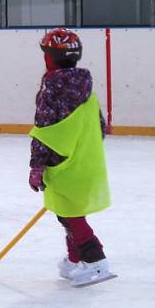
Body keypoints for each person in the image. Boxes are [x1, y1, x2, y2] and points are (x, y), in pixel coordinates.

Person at [28, 28, 114, 286]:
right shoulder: (87, 87)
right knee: (67, 210)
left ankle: (96, 261)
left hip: (60, 161)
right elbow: (99, 127)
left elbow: (44, 129)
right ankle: (75, 258)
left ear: (50, 58)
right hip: (85, 159)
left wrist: (37, 166)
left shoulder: (50, 87)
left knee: (70, 214)